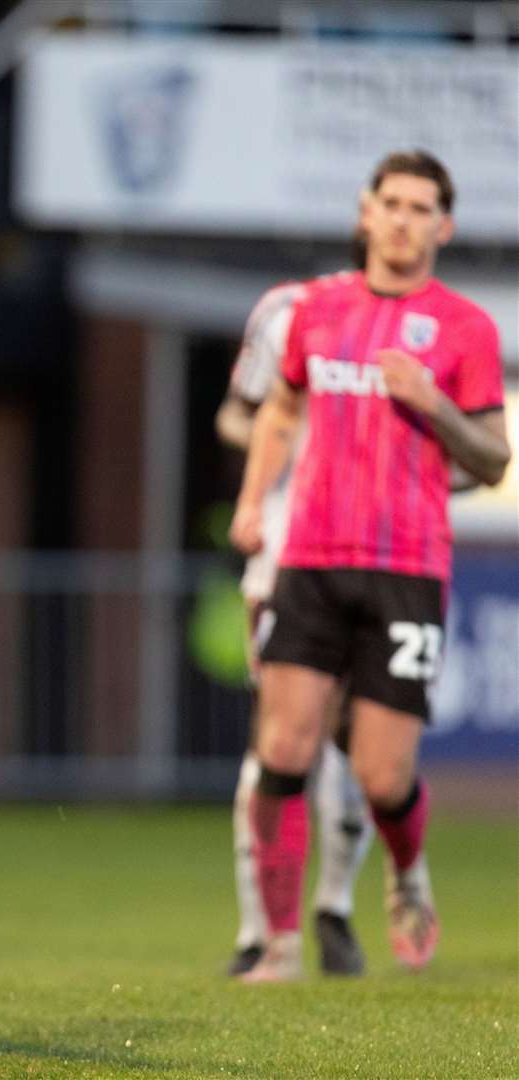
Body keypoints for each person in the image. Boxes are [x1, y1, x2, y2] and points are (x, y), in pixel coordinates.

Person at [231, 150, 509, 983]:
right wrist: (252, 502)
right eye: (389, 203)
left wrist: (432, 403)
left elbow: (493, 459)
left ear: (442, 226)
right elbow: (279, 407)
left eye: (420, 207)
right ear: (364, 212)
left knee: (382, 774)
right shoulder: (315, 310)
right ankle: (278, 943)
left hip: (405, 567)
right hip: (310, 556)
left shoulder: (465, 328)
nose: (401, 219)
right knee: (281, 750)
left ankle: (406, 873)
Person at [215, 265, 375, 978]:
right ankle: (259, 929)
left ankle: (334, 910)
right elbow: (235, 412)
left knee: (352, 745)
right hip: (286, 543)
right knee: (279, 739)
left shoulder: (415, 324)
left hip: (375, 548)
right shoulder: (286, 308)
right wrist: (287, 440)